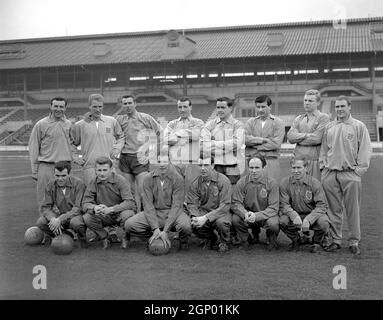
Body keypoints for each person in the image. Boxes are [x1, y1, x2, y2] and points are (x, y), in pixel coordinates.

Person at [319, 96, 372, 255]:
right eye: (337, 107)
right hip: (330, 174)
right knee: (333, 210)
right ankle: (336, 240)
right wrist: (323, 168)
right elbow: (323, 150)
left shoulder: (358, 126)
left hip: (350, 174)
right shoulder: (329, 127)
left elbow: (365, 150)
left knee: (352, 210)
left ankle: (354, 241)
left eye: (342, 106)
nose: (339, 109)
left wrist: (358, 171)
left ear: (349, 107)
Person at [124, 154, 192, 251]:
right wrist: (155, 228)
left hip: (173, 212)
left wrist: (165, 231)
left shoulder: (178, 179)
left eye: (165, 161)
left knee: (186, 226)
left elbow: (176, 206)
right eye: (159, 162)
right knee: (129, 224)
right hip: (154, 212)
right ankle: (154, 237)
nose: (162, 165)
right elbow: (148, 205)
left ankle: (183, 241)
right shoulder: (148, 178)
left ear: (169, 161)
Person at [115, 95, 162, 211]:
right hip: (125, 158)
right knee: (128, 190)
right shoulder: (119, 120)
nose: (127, 106)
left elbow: (159, 132)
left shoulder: (145, 118)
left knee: (143, 189)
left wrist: (155, 151)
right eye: (124, 104)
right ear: (122, 105)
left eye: (129, 103)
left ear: (135, 104)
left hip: (140, 158)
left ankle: (147, 214)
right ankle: (134, 215)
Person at [28, 97, 74, 212]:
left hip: (65, 168)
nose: (58, 109)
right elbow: (33, 147)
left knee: (66, 200)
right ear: (51, 107)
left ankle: (65, 227)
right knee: (45, 201)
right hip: (46, 167)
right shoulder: (41, 124)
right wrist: (34, 170)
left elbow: (73, 143)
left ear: (65, 108)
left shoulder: (69, 124)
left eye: (61, 107)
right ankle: (45, 228)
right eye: (56, 106)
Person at [70, 93, 125, 187]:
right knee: (91, 196)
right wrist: (75, 157)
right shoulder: (80, 125)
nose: (98, 109)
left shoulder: (111, 121)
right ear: (89, 106)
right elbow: (72, 143)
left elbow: (121, 137)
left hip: (109, 166)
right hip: (90, 167)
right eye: (94, 106)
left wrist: (117, 149)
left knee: (111, 195)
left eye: (100, 106)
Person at [82, 157, 137, 249]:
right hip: (103, 214)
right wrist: (94, 208)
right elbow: (85, 203)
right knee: (87, 217)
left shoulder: (121, 180)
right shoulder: (92, 182)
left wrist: (111, 209)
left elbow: (130, 202)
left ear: (111, 169)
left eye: (105, 170)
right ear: (95, 170)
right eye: (99, 170)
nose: (102, 173)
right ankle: (104, 237)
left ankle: (126, 237)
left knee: (128, 215)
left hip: (119, 213)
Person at [279, 157, 329, 253]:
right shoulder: (285, 183)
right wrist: (293, 215)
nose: (296, 171)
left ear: (306, 168)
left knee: (324, 222)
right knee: (282, 221)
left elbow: (322, 205)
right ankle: (296, 239)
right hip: (295, 215)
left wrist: (309, 219)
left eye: (299, 168)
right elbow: (284, 205)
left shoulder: (315, 183)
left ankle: (316, 242)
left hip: (312, 215)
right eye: (293, 168)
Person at [231, 156, 280, 251]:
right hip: (248, 215)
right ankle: (246, 240)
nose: (253, 171)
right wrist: (245, 213)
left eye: (257, 168)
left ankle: (271, 240)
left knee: (273, 223)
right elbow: (236, 203)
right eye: (251, 167)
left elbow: (274, 208)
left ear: (264, 168)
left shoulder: (272, 183)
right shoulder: (241, 182)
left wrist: (257, 215)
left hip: (265, 216)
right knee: (236, 219)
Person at [186, 157, 232, 253]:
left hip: (221, 212)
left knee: (221, 223)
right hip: (204, 211)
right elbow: (192, 204)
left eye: (206, 165)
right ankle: (210, 238)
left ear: (212, 165)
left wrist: (206, 218)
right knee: (194, 224)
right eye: (200, 165)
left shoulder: (223, 181)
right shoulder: (195, 183)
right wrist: (195, 217)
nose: (202, 168)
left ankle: (224, 242)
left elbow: (225, 205)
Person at [36, 161, 87, 247]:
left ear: (70, 173)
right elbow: (46, 207)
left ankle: (82, 239)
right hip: (60, 215)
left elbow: (78, 208)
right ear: (54, 174)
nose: (60, 179)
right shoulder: (50, 185)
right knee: (41, 222)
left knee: (76, 223)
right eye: (57, 176)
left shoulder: (79, 184)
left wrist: (60, 219)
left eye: (63, 176)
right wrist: (53, 219)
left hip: (75, 216)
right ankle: (65, 235)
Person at [287, 89, 330, 180]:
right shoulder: (299, 118)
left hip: (314, 161)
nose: (307, 103)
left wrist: (298, 138)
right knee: (298, 191)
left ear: (318, 103)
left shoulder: (323, 117)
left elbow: (316, 139)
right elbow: (290, 137)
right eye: (305, 100)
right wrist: (307, 135)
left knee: (314, 189)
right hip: (298, 163)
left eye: (310, 101)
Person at [200, 97, 244, 185]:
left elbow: (236, 144)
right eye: (218, 107)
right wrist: (227, 147)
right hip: (215, 166)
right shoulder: (209, 125)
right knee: (215, 194)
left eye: (223, 107)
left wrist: (213, 144)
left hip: (232, 166)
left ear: (230, 108)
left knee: (232, 193)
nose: (219, 110)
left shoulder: (238, 125)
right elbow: (202, 145)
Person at [164, 96, 204, 190]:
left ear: (190, 107)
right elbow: (166, 138)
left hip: (192, 163)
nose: (182, 110)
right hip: (175, 163)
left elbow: (196, 134)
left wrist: (177, 135)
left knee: (192, 191)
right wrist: (185, 138)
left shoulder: (198, 122)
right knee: (176, 190)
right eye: (180, 107)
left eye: (185, 107)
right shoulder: (172, 123)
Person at [244, 95, 285, 181]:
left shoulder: (278, 122)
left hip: (270, 161)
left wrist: (254, 147)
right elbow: (244, 139)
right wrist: (262, 140)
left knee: (271, 188)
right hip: (253, 162)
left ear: (270, 107)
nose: (260, 110)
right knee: (251, 189)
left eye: (263, 107)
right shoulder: (250, 122)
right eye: (258, 107)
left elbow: (276, 144)